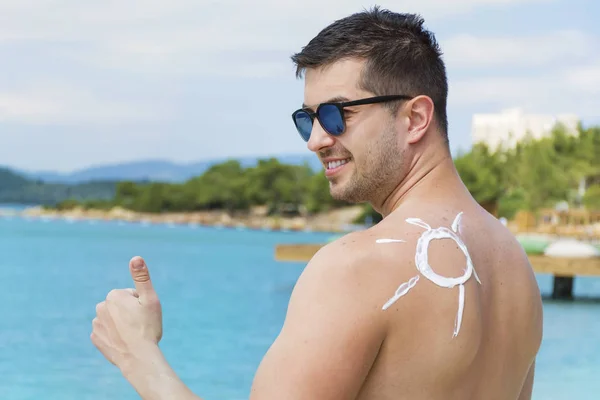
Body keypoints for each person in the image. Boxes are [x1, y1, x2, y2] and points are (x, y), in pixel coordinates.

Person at [90, 6, 544, 399]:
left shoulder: (356, 267)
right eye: (306, 119)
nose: (315, 140)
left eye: (335, 114)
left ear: (416, 117)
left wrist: (138, 355)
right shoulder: (515, 267)